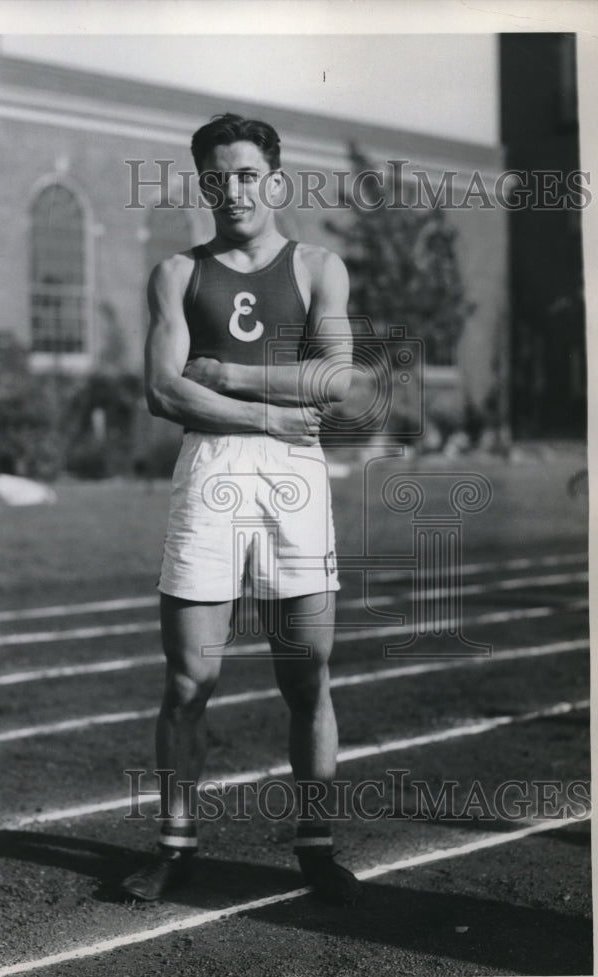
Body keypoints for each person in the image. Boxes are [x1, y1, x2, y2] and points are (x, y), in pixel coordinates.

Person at [121, 113, 359, 905]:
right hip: (214, 467)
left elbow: (334, 381)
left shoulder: (320, 265)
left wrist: (226, 374)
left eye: (247, 174)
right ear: (203, 185)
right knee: (189, 679)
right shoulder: (176, 274)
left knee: (306, 675)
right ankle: (175, 843)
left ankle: (315, 843)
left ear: (276, 180)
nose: (232, 190)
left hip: (294, 476)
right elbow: (160, 389)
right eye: (216, 178)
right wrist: (264, 410)